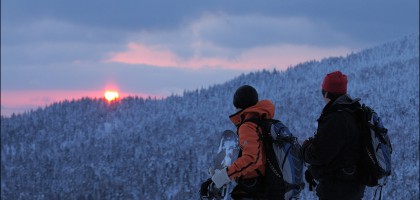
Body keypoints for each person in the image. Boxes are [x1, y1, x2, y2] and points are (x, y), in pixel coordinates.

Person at [202, 85, 278, 200]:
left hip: (255, 190)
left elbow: (252, 159)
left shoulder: (248, 126)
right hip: (267, 187)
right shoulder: (263, 122)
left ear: (237, 105)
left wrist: (224, 175)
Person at [302, 71, 365, 200]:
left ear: (326, 93)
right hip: (353, 185)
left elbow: (319, 154)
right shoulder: (353, 112)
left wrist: (305, 150)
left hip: (337, 190)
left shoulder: (336, 119)